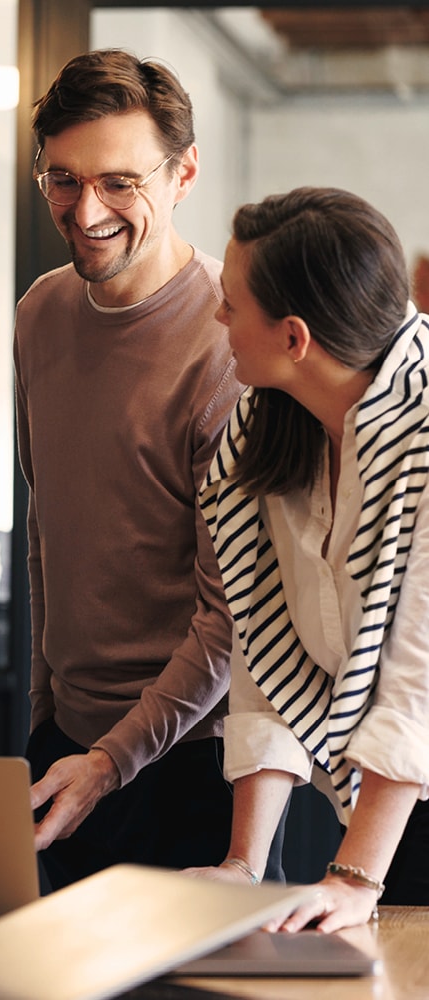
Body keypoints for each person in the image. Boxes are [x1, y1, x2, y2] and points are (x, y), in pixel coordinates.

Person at [14, 48, 269, 892]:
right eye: (62, 179)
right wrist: (48, 719)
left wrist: (111, 760)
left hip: (190, 762)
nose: (86, 211)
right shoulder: (41, 312)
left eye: (120, 182)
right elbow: (47, 528)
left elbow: (230, 618)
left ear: (184, 172)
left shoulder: (229, 347)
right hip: (62, 750)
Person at [190, 186, 429, 932]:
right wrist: (243, 866)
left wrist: (356, 877)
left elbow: (419, 679)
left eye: (231, 304)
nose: (217, 318)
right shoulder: (266, 429)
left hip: (394, 789)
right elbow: (265, 648)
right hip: (388, 805)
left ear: (294, 338)